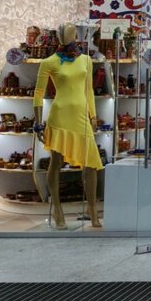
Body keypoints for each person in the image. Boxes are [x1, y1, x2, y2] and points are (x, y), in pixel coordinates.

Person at [33, 22, 103, 229]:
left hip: (81, 116)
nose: (65, 36)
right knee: (56, 162)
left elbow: (88, 90)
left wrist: (93, 115)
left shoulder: (86, 60)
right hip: (60, 116)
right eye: (62, 33)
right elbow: (38, 93)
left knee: (91, 163)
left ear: (75, 36)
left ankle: (92, 208)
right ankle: (57, 208)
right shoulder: (49, 62)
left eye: (69, 33)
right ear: (57, 37)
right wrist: (38, 123)